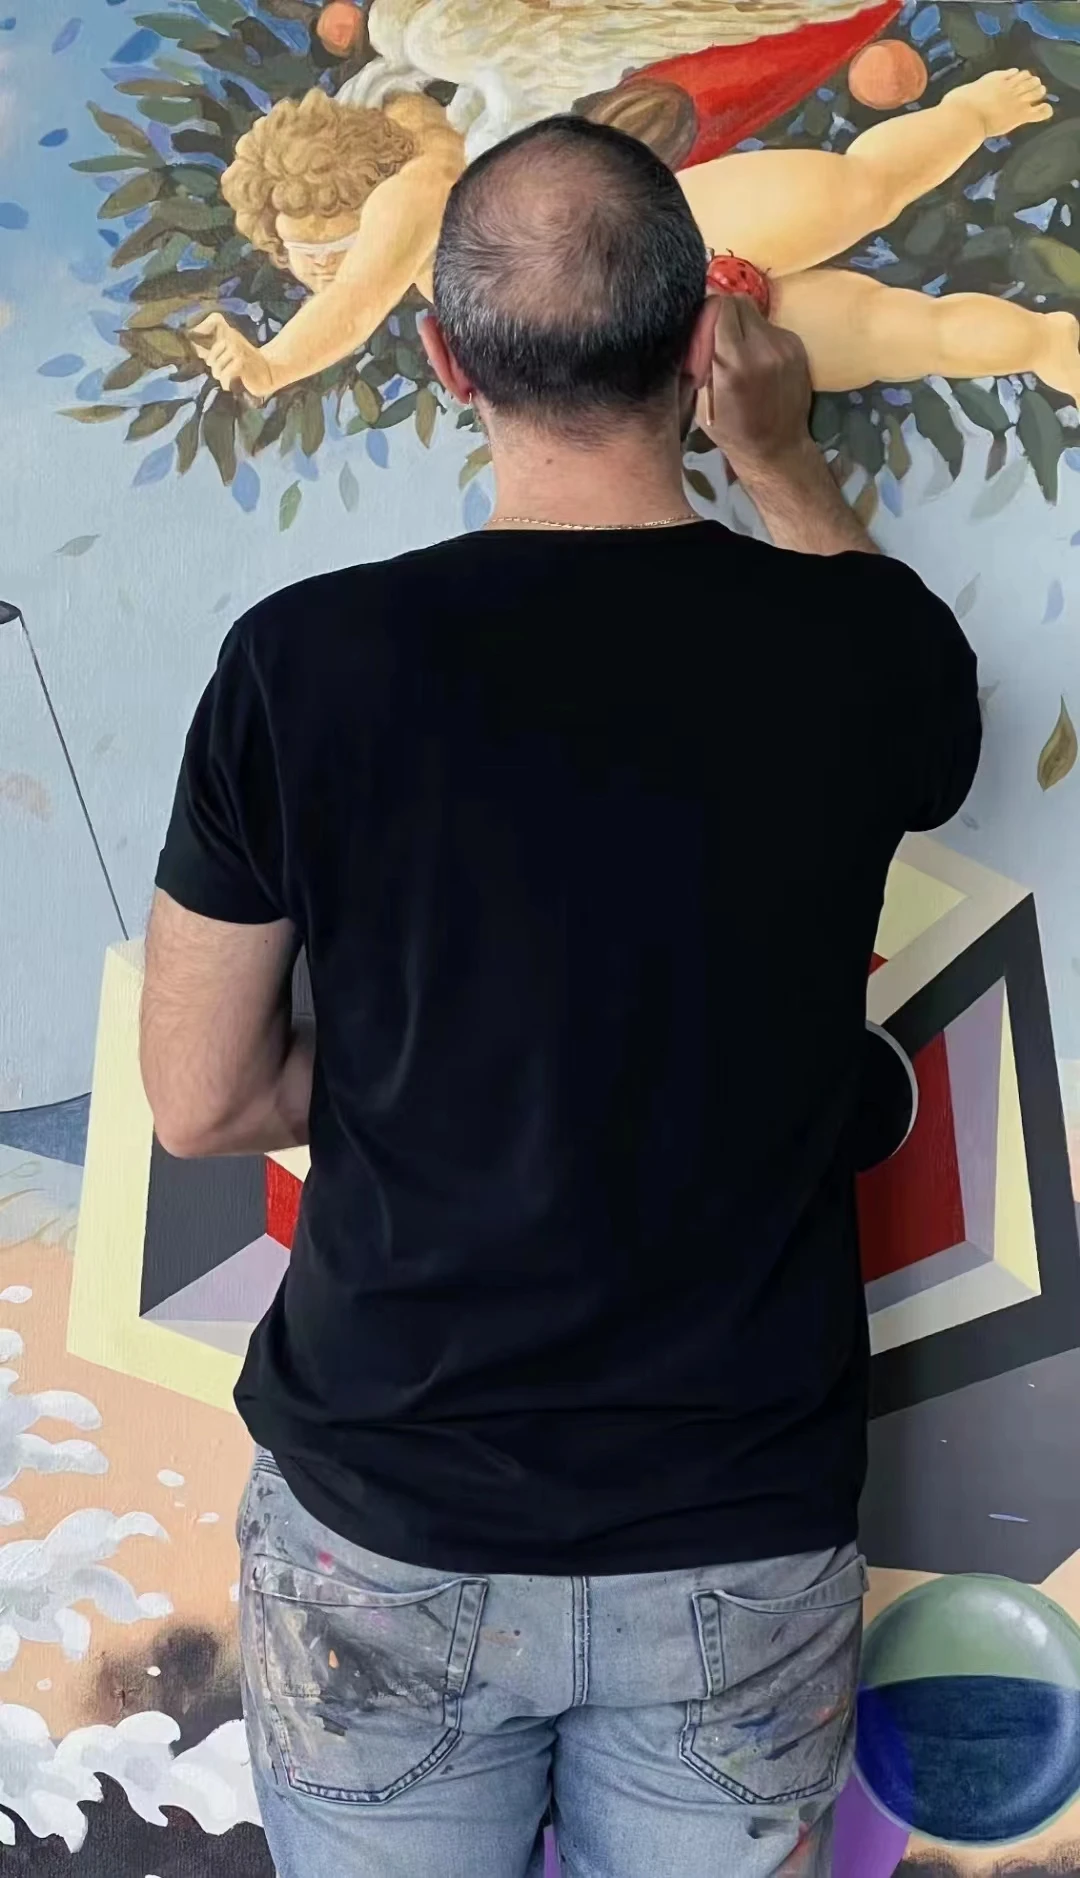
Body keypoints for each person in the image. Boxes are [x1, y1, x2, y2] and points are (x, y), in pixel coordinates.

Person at [142, 117, 981, 1878]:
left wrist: (420, 1065)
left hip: (385, 1519)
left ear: (444, 359)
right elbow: (913, 692)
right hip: (737, 1527)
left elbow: (202, 1095)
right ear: (702, 341)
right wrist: (780, 460)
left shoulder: (303, 663)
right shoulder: (859, 652)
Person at [193, 39, 1076, 408]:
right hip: (664, 327)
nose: (311, 272)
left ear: (344, 195)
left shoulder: (408, 195)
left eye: (315, 249)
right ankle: (1045, 342)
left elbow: (351, 306)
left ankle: (971, 116)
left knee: (862, 194)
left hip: (671, 237)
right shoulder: (423, 146)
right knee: (897, 327)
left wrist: (271, 366)